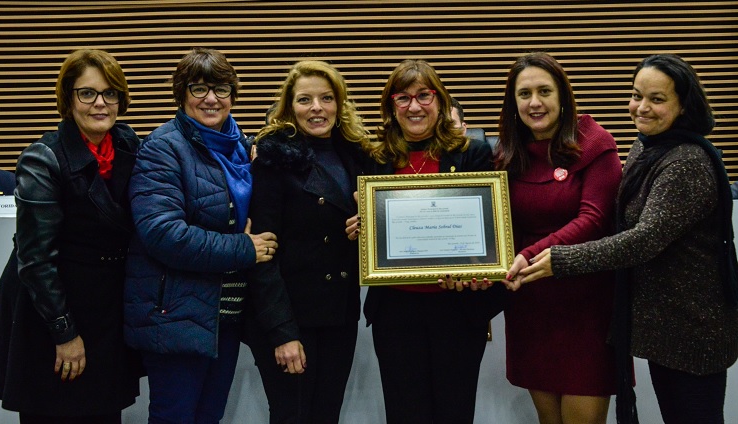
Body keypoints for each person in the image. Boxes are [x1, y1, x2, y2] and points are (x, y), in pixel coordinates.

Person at [513, 53, 738, 424]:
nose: (641, 107)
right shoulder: (648, 147)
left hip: (694, 330)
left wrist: (560, 259)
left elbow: (642, 240)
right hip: (666, 327)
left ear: (684, 106)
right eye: (636, 95)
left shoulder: (686, 161)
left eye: (657, 99)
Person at [123, 47, 278, 424]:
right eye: (199, 88)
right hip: (176, 314)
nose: (211, 98)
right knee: (175, 417)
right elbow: (162, 234)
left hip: (224, 314)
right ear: (181, 94)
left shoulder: (243, 146)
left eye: (221, 88)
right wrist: (244, 248)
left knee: (210, 417)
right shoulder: (162, 147)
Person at [0, 49, 142, 423]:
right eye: (86, 93)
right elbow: (36, 260)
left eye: (110, 93)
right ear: (68, 99)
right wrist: (64, 333)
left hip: (104, 307)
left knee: (104, 412)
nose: (100, 103)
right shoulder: (42, 158)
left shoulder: (127, 145)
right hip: (51, 309)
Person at [349, 59, 504, 424]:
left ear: (439, 100)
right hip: (396, 312)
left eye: (423, 96)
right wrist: (364, 228)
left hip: (457, 310)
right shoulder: (375, 159)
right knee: (405, 413)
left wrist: (481, 268)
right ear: (390, 107)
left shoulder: (472, 153)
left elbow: (488, 228)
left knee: (455, 410)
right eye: (402, 98)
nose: (414, 106)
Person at [495, 52, 622, 424]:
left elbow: (594, 219)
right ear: (513, 102)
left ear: (563, 95)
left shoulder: (595, 143)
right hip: (532, 307)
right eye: (524, 94)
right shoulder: (506, 154)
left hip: (586, 308)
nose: (534, 102)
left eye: (544, 91)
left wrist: (530, 254)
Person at [244, 60, 368, 424]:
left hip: (339, 315)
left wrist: (368, 230)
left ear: (340, 104)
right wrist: (282, 333)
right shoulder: (271, 160)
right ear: (289, 107)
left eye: (327, 98)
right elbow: (261, 253)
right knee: (292, 415)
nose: (317, 108)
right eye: (305, 99)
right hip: (291, 317)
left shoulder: (358, 157)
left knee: (327, 414)